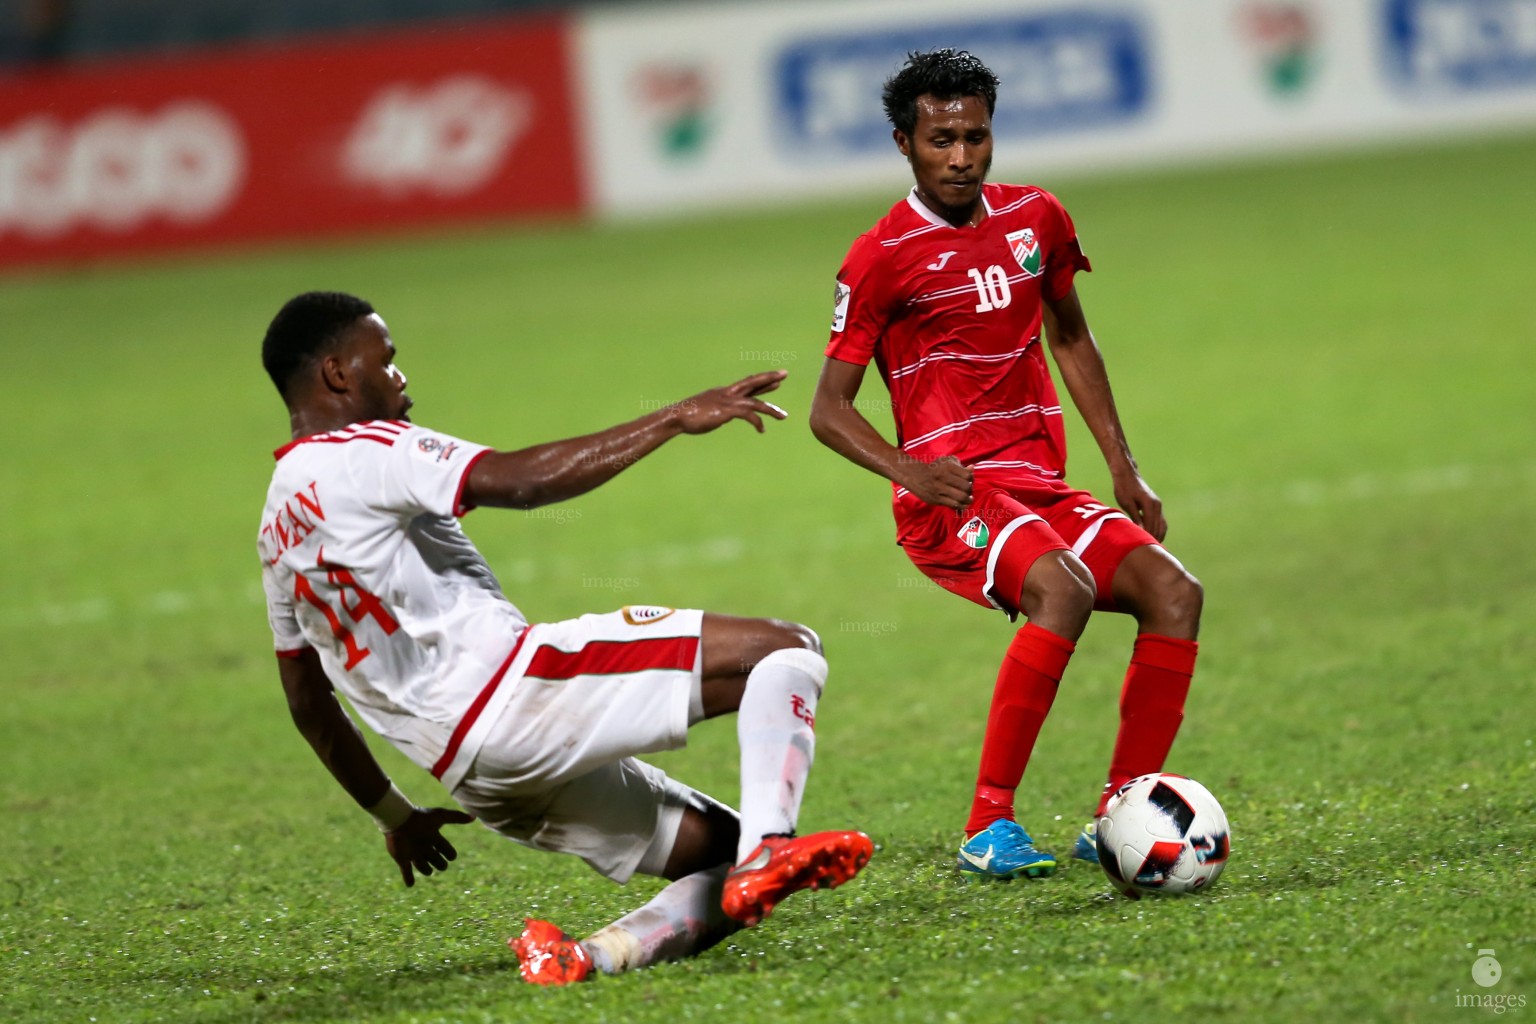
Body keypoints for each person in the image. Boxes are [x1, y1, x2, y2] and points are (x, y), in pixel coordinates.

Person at [258, 291, 872, 985]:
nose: (401, 378)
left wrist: (395, 815)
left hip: (476, 778)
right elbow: (520, 481)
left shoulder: (276, 522)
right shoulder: (365, 450)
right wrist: (673, 417)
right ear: (338, 374)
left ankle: (582, 958)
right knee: (787, 648)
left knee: (718, 855)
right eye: (387, 361)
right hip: (515, 698)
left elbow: (308, 703)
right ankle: (770, 849)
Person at [808, 50, 1203, 882]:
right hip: (950, 491)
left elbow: (1070, 336)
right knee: (1064, 588)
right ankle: (988, 822)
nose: (961, 157)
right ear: (903, 144)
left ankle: (1121, 810)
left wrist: (1124, 468)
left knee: (1174, 592)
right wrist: (908, 472)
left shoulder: (1038, 218)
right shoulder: (880, 255)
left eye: (976, 138)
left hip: (1038, 481)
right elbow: (828, 410)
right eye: (940, 140)